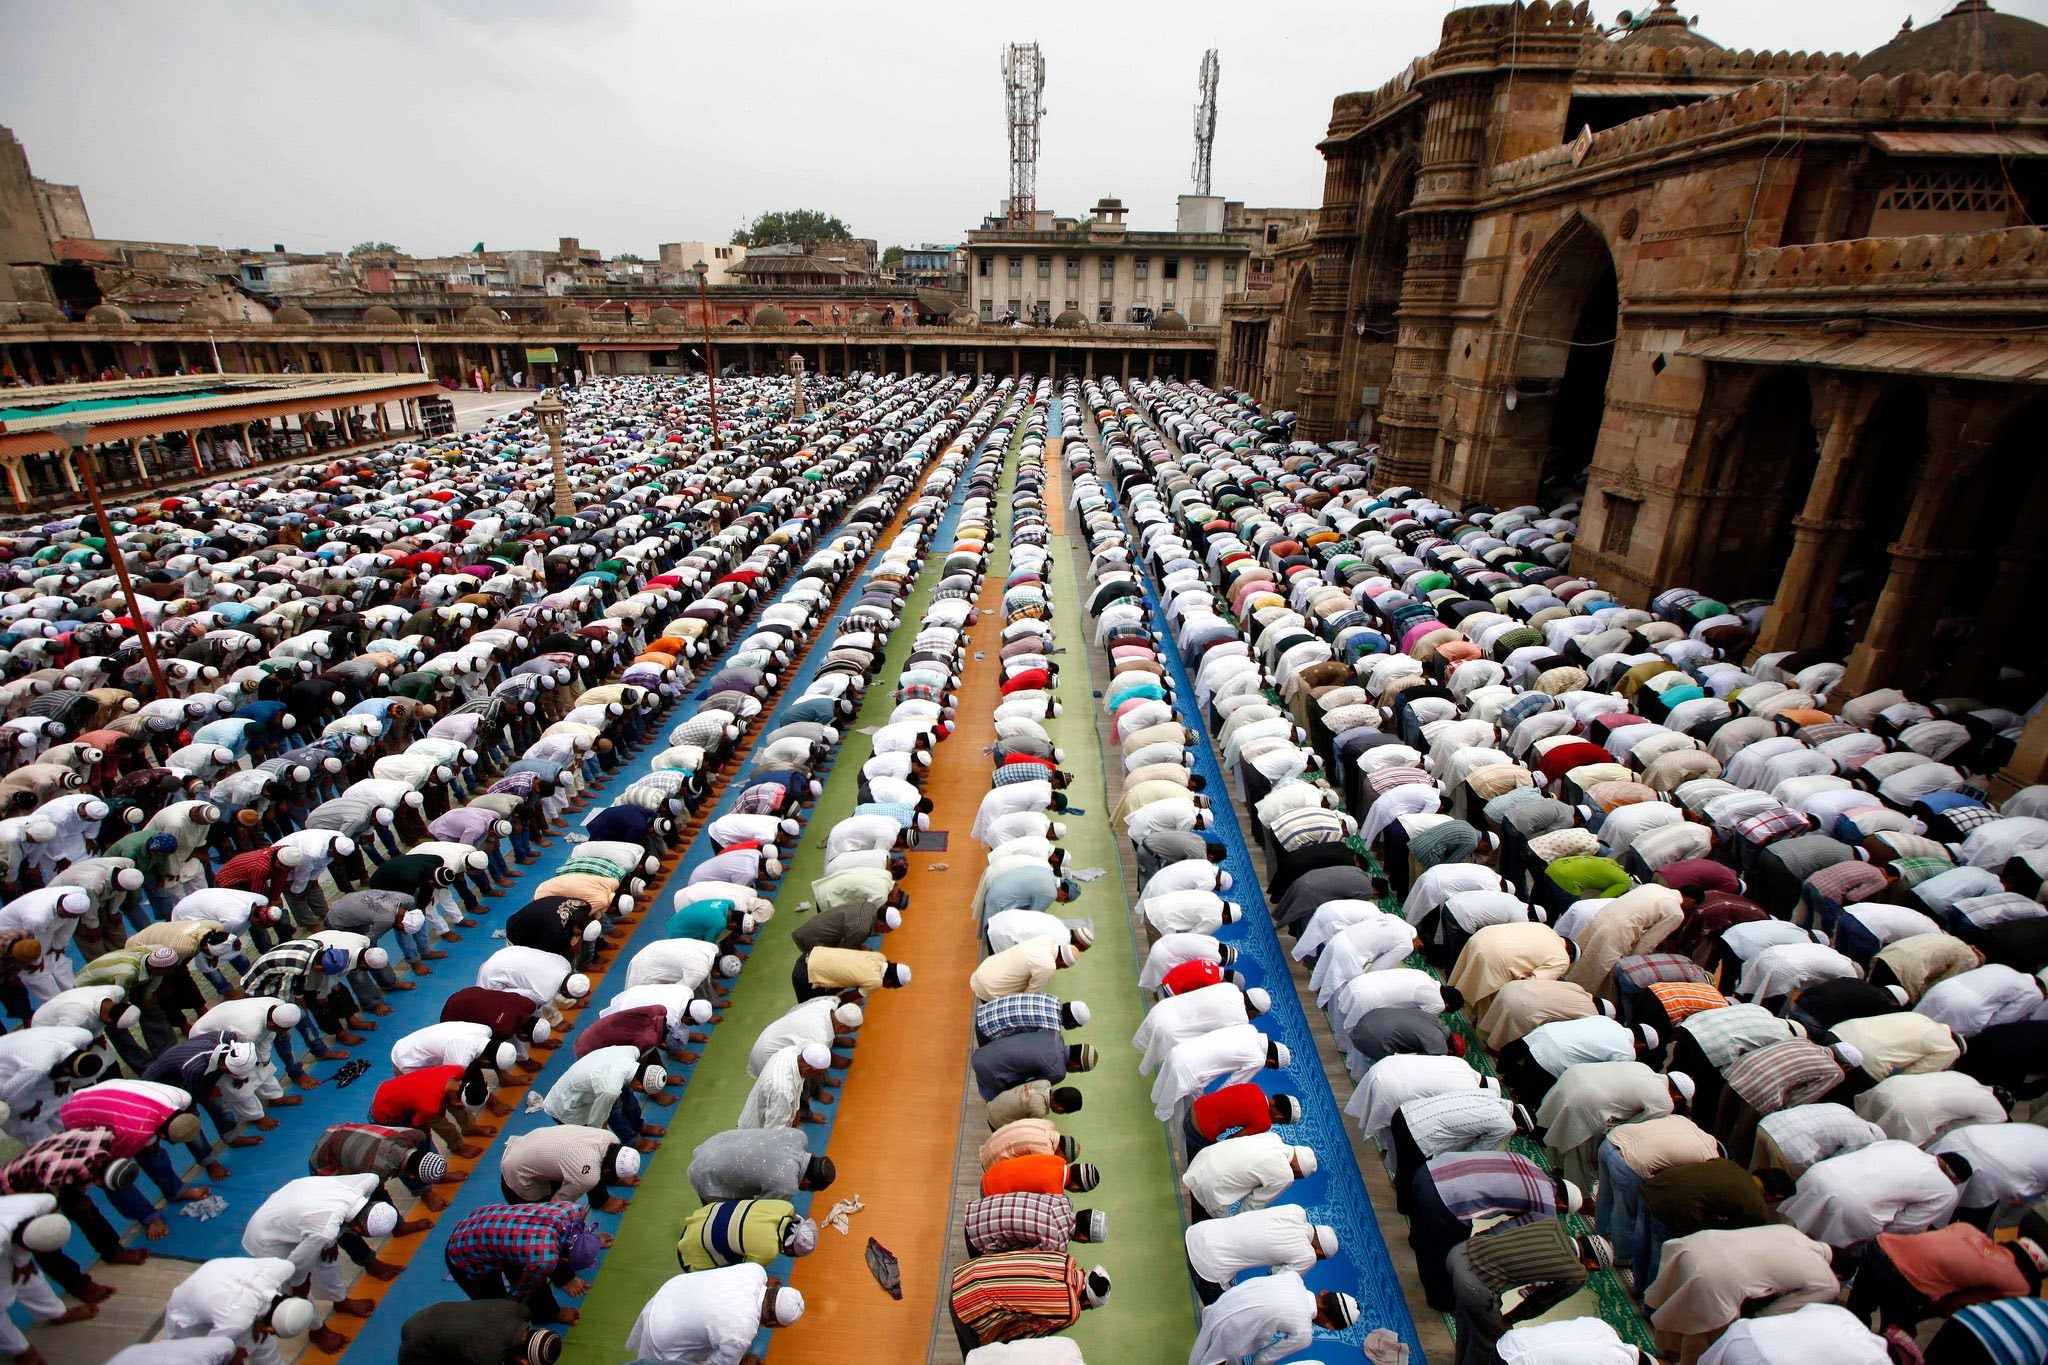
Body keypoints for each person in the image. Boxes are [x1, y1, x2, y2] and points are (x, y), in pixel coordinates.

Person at [1643, 1223, 1839, 1357]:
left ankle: (1668, 1348)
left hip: (1695, 1245)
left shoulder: (1791, 1231)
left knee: (1681, 1306)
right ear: (1839, 1274)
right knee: (1704, 1334)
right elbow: (1774, 1314)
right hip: (1716, 1277)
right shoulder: (1828, 1282)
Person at [1845, 1224, 2041, 1336]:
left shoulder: (1969, 1230)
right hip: (1904, 1279)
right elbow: (1957, 1303)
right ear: (2030, 1272)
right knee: (1899, 1339)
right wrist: (1922, 1314)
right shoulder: (2017, 1283)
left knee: (1858, 1308)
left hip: (1880, 1246)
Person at [443, 1200, 609, 1326]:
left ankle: (547, 1313)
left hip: (490, 1223)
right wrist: (509, 1312)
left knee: (533, 1276)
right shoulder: (544, 1259)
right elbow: (521, 1293)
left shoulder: (573, 1210)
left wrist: (590, 1243)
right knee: (496, 1307)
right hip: (465, 1252)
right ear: (563, 1260)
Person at [623, 1264, 803, 1362]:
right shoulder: (741, 1333)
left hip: (672, 1291)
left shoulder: (755, 1271)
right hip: (663, 1331)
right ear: (772, 1324)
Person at [161, 1256, 316, 1365]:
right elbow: (208, 1348)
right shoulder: (237, 1321)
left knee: (260, 1340)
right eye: (271, 1331)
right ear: (270, 1327)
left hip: (215, 1279)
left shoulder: (284, 1268)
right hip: (188, 1317)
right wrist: (232, 1356)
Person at [948, 1251, 1109, 1352]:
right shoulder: (1070, 1309)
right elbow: (1023, 1332)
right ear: (1087, 1303)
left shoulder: (1064, 1259)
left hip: (969, 1271)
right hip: (968, 1304)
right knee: (978, 1357)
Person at [1188, 1270, 1356, 1365]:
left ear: (1324, 1293)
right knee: (1214, 1360)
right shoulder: (1304, 1333)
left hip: (1223, 1303)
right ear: (1330, 1325)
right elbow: (1264, 1359)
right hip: (1231, 1327)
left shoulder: (1293, 1278)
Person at [1183, 1204, 1336, 1304]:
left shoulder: (1295, 1211)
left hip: (1198, 1232)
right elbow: (1276, 1287)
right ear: (1318, 1252)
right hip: (1207, 1268)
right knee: (1231, 1316)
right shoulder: (1307, 1256)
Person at [501, 1125, 641, 1213]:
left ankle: (600, 1198)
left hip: (525, 1144)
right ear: (607, 1172)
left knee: (585, 1175)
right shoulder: (588, 1175)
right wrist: (585, 1239)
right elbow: (557, 1207)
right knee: (539, 1215)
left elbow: (591, 1169)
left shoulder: (610, 1138)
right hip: (517, 1173)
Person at [686, 1128, 835, 1203]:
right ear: (806, 1182)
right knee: (722, 1219)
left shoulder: (798, 1136)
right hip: (706, 1176)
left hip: (711, 1146)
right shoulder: (787, 1185)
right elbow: (758, 1211)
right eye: (807, 1189)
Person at [397, 1299, 562, 1365]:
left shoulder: (520, 1310)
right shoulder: (490, 1356)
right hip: (416, 1347)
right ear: (524, 1361)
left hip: (428, 1315)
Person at [676, 1197, 817, 1271]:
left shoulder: (785, 1206)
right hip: (690, 1253)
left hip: (699, 1217)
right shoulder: (769, 1251)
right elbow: (742, 1276)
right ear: (789, 1250)